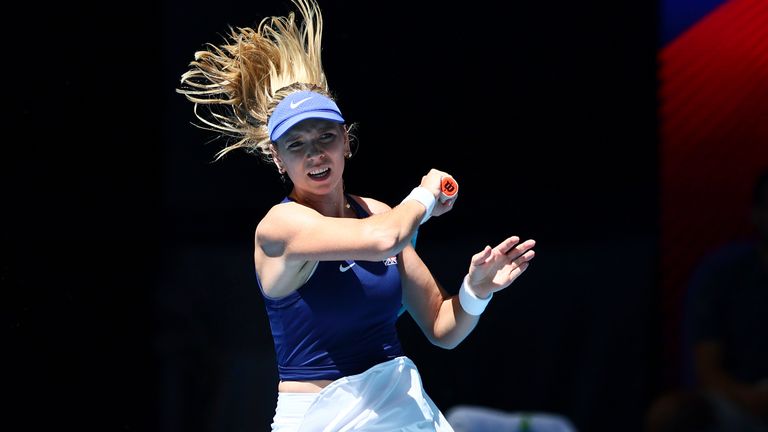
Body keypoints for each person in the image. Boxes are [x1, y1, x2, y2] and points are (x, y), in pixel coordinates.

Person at [177, 0, 537, 430]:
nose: (314, 154)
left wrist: (476, 291)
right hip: (322, 418)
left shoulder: (378, 214)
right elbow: (386, 238)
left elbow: (443, 327)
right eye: (297, 145)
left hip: (400, 410)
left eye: (325, 138)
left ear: (346, 142)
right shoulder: (280, 227)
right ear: (277, 159)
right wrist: (423, 196)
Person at [646, 168, 768, 432]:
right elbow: (707, 368)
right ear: (756, 213)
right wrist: (749, 397)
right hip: (739, 401)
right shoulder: (724, 275)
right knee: (670, 413)